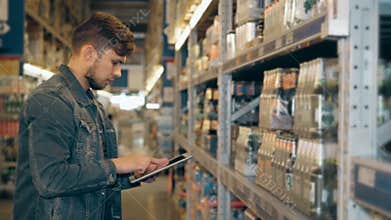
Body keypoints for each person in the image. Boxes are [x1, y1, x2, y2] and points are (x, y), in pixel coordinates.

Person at [13, 12, 168, 220]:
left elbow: (89, 178)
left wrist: (133, 176)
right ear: (89, 53)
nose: (119, 72)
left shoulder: (92, 104)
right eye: (115, 62)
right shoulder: (50, 101)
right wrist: (118, 165)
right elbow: (51, 179)